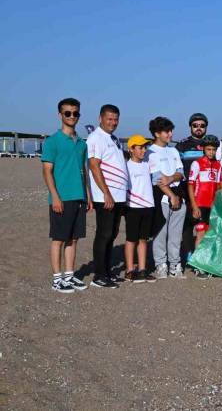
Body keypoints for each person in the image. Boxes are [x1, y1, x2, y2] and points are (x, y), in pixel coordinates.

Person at [42, 98, 92, 293]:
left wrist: (87, 194)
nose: (72, 116)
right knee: (59, 238)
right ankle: (57, 279)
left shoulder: (81, 143)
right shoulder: (52, 141)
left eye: (75, 113)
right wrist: (55, 196)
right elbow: (47, 171)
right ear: (60, 115)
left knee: (74, 238)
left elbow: (83, 170)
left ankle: (69, 276)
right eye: (68, 113)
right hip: (61, 197)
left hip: (79, 197)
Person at [87, 104, 128, 288]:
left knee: (112, 234)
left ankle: (107, 271)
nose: (113, 122)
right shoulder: (96, 138)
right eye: (109, 118)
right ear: (100, 118)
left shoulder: (113, 138)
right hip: (106, 196)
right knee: (103, 234)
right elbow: (94, 166)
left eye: (116, 119)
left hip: (118, 196)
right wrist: (106, 193)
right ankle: (99, 275)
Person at [146, 117, 187, 279]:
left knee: (176, 234)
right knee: (161, 233)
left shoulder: (173, 151)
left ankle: (175, 265)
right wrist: (171, 195)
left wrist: (171, 179)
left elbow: (180, 173)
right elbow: (157, 178)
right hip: (161, 196)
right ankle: (160, 264)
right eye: (166, 131)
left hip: (178, 193)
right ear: (157, 133)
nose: (170, 134)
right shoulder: (150, 152)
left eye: (171, 131)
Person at [176, 113, 209, 262]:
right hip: (187, 190)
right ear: (190, 127)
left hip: (206, 191)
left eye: (202, 126)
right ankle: (189, 253)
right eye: (195, 125)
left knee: (204, 225)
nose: (198, 128)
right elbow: (176, 167)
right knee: (188, 225)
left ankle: (201, 256)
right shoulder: (182, 144)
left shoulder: (211, 144)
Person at [187, 134, 221, 279]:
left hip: (212, 205)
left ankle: (206, 262)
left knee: (209, 235)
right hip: (200, 204)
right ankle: (198, 265)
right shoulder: (197, 163)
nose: (211, 152)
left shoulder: (219, 165)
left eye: (213, 150)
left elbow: (218, 186)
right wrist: (194, 206)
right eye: (208, 149)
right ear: (203, 149)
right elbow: (190, 185)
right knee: (200, 234)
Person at [124, 135, 156, 283]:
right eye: (140, 147)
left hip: (148, 206)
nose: (143, 150)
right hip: (133, 207)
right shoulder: (126, 166)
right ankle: (130, 269)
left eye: (145, 147)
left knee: (144, 239)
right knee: (131, 239)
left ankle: (142, 269)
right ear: (131, 149)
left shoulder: (147, 164)